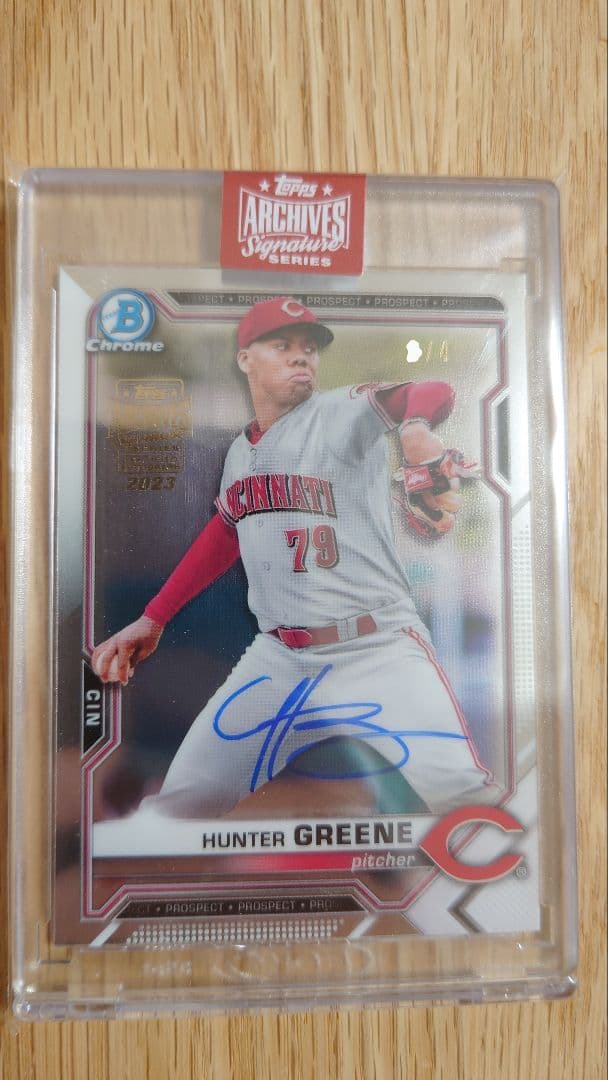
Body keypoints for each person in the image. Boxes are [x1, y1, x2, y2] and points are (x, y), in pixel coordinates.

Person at [92, 296, 498, 818]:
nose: (301, 356)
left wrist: (415, 427)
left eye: (309, 347)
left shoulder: (341, 410)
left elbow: (431, 390)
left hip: (378, 649)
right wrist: (154, 618)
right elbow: (228, 529)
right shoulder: (241, 452)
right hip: (279, 660)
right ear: (245, 359)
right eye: (282, 345)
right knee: (177, 808)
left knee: (465, 805)